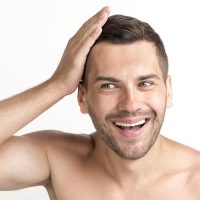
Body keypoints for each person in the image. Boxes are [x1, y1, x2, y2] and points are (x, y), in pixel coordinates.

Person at [0, 5, 200, 199]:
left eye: (145, 83)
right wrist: (58, 84)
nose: (130, 105)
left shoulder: (195, 180)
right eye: (109, 86)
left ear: (168, 91)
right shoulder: (58, 160)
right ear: (82, 98)